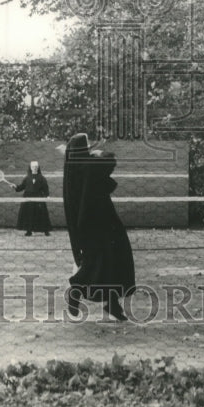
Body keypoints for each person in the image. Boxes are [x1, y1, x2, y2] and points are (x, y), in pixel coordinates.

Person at [62, 132, 135, 321]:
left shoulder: (76, 168)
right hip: (96, 224)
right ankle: (76, 291)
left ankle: (111, 302)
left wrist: (95, 153)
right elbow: (110, 162)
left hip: (97, 223)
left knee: (110, 261)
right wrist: (100, 152)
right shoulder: (86, 167)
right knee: (99, 262)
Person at [12, 160, 51, 236]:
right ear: (30, 167)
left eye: (36, 166)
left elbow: (45, 189)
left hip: (39, 199)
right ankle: (28, 231)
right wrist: (15, 187)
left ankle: (46, 231)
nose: (35, 168)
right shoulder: (27, 178)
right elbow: (21, 187)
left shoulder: (42, 178)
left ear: (38, 167)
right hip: (28, 199)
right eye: (33, 166)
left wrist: (47, 195)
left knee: (41, 214)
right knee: (28, 214)